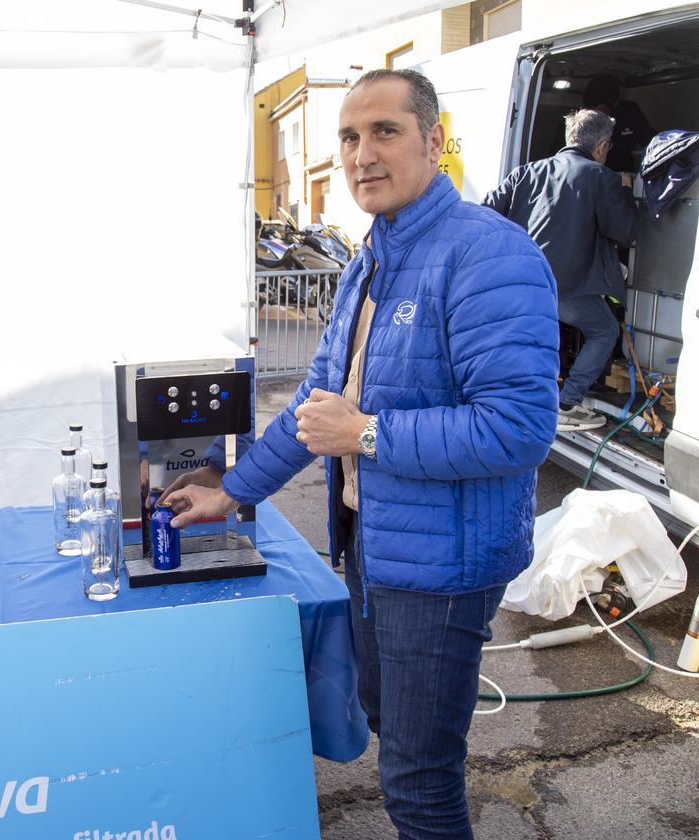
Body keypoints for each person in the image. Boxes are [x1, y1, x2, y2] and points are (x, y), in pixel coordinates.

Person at [163, 69, 559, 839]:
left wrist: (368, 434)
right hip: (374, 547)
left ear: (434, 143)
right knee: (389, 725)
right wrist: (233, 491)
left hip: (443, 567)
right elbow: (318, 413)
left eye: (385, 132)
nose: (362, 154)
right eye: (349, 137)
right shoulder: (368, 260)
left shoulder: (488, 255)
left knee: (417, 777)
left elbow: (517, 428)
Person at [484, 109, 637, 432]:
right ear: (603, 146)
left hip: (521, 282)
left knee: (534, 338)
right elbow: (624, 232)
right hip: (564, 287)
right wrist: (624, 190)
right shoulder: (600, 177)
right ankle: (566, 404)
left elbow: (485, 214)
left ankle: (515, 394)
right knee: (605, 330)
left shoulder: (525, 173)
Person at [582, 74, 656, 174]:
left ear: (615, 103)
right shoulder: (577, 122)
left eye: (603, 112)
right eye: (595, 112)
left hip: (623, 176)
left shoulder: (629, 112)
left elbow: (649, 139)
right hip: (589, 176)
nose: (600, 117)